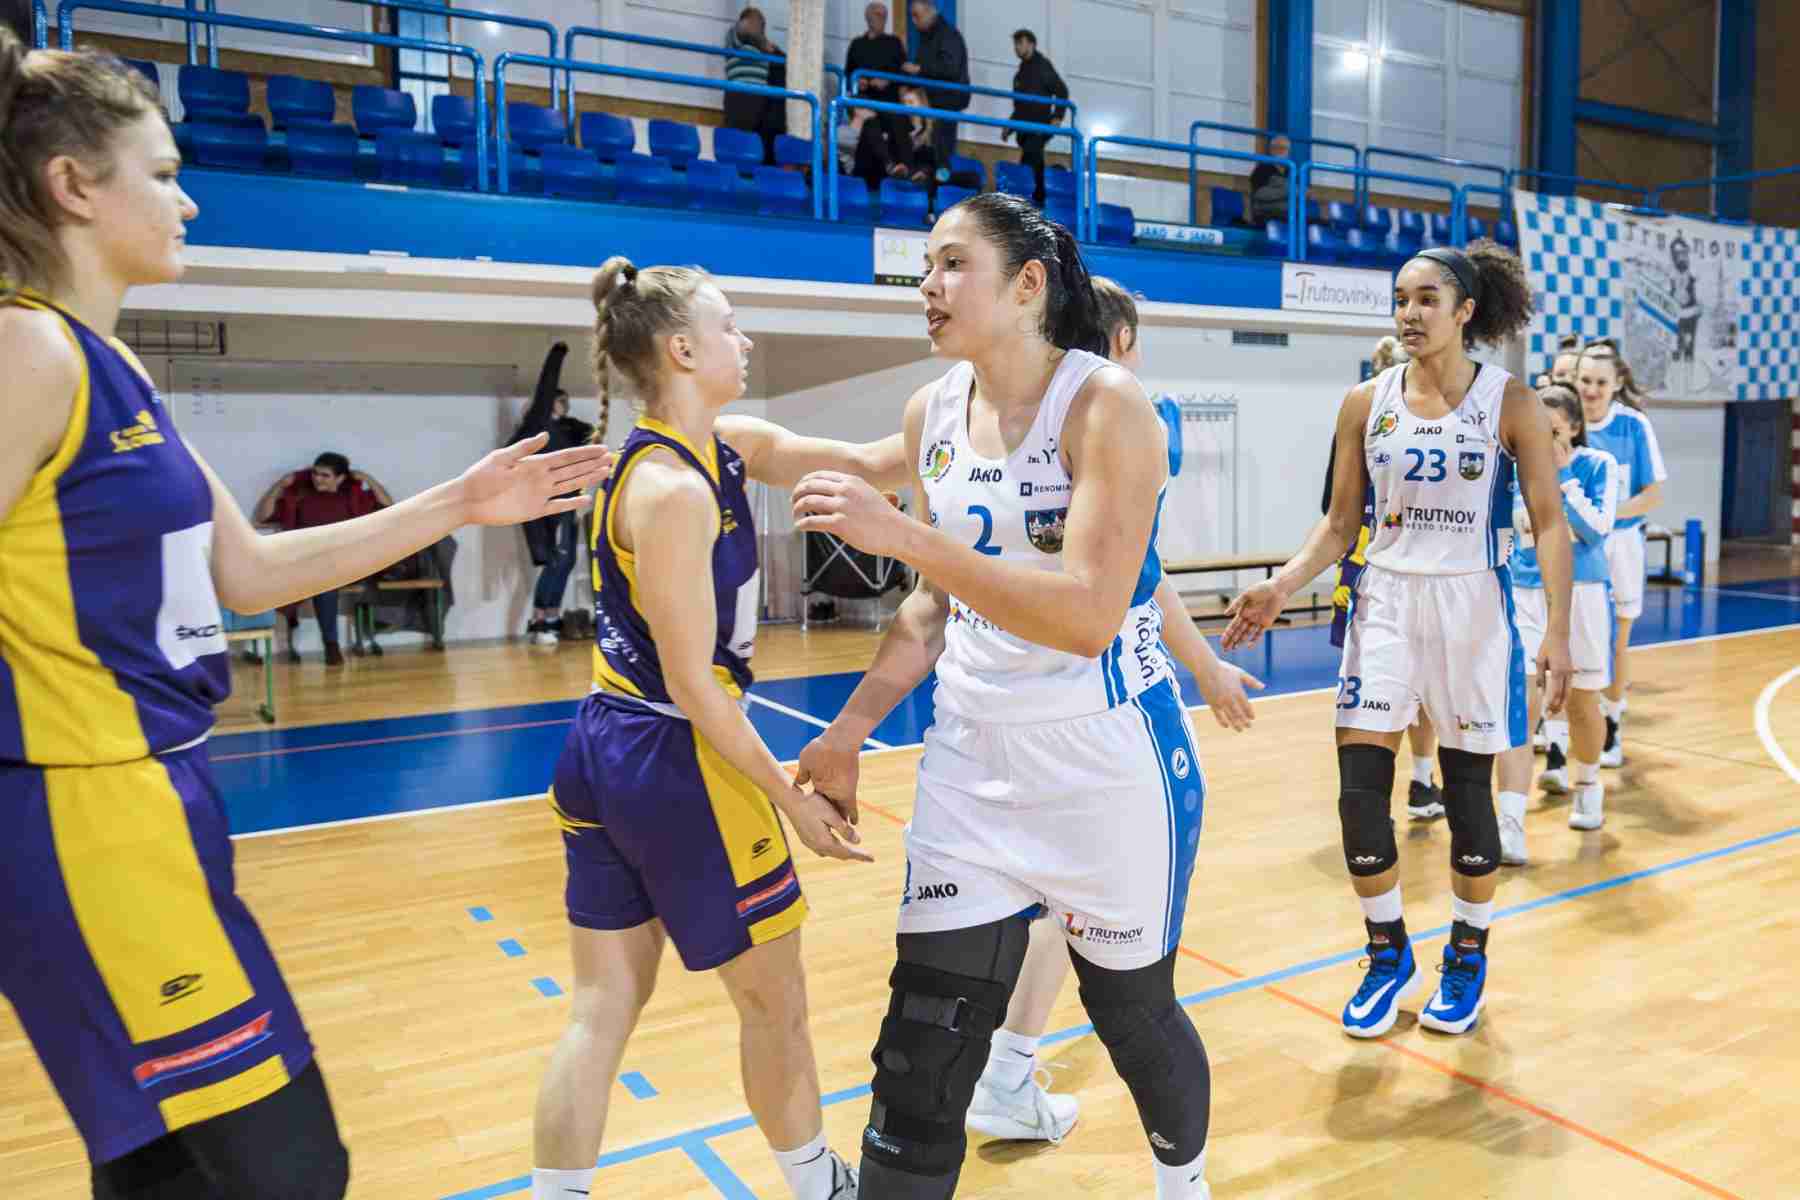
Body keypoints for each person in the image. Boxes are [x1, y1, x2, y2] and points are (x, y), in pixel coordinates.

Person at [0, 34, 612, 1198]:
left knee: (170, 1170)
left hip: (156, 802)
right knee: (283, 1168)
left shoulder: (111, 366)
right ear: (73, 185)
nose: (188, 200)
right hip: (81, 816)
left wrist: (460, 502)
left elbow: (250, 573)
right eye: (163, 172)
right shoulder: (24, 349)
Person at [791, 193, 1218, 1199]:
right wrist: (848, 731)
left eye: (952, 264)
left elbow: (1088, 616)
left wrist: (904, 535)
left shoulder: (1109, 405)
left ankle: (1184, 1185)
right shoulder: (931, 410)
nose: (928, 286)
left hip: (1106, 761)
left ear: (1027, 285)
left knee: (1133, 1017)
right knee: (921, 1050)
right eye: (924, 268)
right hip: (971, 757)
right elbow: (932, 605)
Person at [529, 258, 874, 1200]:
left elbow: (870, 463)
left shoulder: (708, 451)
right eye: (730, 326)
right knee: (776, 1004)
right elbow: (693, 686)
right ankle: (820, 1186)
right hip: (678, 754)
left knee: (600, 1007)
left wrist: (970, 411)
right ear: (682, 349)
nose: (745, 340)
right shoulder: (674, 492)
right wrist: (791, 803)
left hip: (602, 740)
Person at [1223, 241, 1575, 1040]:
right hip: (1384, 600)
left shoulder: (1511, 403)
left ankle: (1466, 954)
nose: (1410, 314)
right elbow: (1340, 522)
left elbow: (1550, 523)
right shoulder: (1365, 401)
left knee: (1468, 794)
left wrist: (1556, 631)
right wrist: (1282, 584)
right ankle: (1388, 953)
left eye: (1427, 300)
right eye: (1401, 300)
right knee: (1358, 793)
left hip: (1473, 606)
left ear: (1466, 311)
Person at [959, 273, 1263, 1150]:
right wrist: (1199, 669)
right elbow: (1131, 583)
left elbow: (1142, 572)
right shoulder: (1128, 418)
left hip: (1005, 705)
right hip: (1103, 711)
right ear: (1119, 343)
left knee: (1056, 907)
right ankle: (1164, 1156)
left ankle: (1004, 1072)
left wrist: (1206, 666)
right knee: (1118, 950)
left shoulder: (1005, 418)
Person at [1320, 334, 1445, 822]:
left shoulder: (1378, 413)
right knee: (1399, 684)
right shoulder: (1365, 413)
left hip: (1375, 561)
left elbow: (1330, 505)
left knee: (1379, 684)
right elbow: (1335, 509)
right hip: (1381, 561)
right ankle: (1414, 783)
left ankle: (1394, 792)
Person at [1496, 384, 1619, 862]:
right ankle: (1510, 821)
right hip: (1524, 596)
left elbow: (1597, 530)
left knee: (1583, 703)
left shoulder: (1597, 466)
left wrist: (1563, 478)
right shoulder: (1510, 471)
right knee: (1521, 704)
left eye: (1552, 430)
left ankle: (1587, 786)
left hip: (1582, 595)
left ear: (1573, 429)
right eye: (1533, 429)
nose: (1541, 439)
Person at [1573, 338, 1664, 769]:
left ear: (1616, 384)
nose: (1591, 390)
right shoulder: (1563, 422)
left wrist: (1604, 517)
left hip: (1620, 545)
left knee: (1615, 643)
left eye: (1600, 382)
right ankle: (1556, 735)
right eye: (1585, 380)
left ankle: (1611, 724)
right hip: (1571, 547)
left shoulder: (1633, 426)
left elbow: (1652, 495)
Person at [253, 451, 392, 665]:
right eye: (315, 474)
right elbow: (262, 516)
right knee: (321, 580)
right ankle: (328, 645)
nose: (318, 479)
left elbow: (388, 507)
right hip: (307, 561)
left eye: (325, 475)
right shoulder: (301, 497)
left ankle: (330, 644)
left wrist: (368, 479)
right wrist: (280, 485)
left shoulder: (351, 498)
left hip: (345, 562)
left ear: (340, 478)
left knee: (325, 579)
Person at [510, 343, 596, 645]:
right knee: (554, 561)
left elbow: (590, 433)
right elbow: (546, 387)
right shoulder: (537, 426)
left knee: (566, 561)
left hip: (567, 503)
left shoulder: (566, 430)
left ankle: (552, 618)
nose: (564, 405)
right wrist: (557, 355)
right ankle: (539, 622)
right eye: (559, 401)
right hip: (546, 505)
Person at [845, 3, 913, 181]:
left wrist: (887, 80)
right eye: (877, 14)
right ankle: (890, 165)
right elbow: (848, 74)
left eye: (884, 15)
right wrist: (858, 82)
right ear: (868, 17)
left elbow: (904, 73)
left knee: (899, 119)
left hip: (889, 101)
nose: (882, 18)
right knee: (869, 119)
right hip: (865, 99)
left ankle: (908, 169)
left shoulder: (894, 43)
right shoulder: (857, 44)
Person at [1003, 30, 1068, 206]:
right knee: (1032, 161)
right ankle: (1035, 201)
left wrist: (1057, 116)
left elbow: (1062, 91)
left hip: (1039, 125)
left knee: (1030, 161)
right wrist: (1010, 126)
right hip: (1026, 128)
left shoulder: (1042, 66)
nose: (1016, 48)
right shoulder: (1022, 71)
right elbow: (1021, 106)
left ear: (1031, 44)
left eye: (1020, 43)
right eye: (1015, 44)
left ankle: (1033, 201)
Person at [903, 1, 968, 176]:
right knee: (929, 148)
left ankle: (941, 184)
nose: (913, 21)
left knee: (941, 152)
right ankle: (928, 181)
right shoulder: (927, 36)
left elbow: (951, 68)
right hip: (932, 99)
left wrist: (920, 69)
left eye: (916, 16)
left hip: (946, 99)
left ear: (929, 12)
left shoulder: (948, 35)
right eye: (912, 16)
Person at [725, 7, 786, 165]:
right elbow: (746, 31)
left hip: (759, 99)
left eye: (763, 24)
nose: (761, 27)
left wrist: (768, 47)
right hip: (739, 96)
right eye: (758, 22)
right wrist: (763, 43)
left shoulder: (763, 48)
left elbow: (782, 59)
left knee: (758, 144)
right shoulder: (734, 38)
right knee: (738, 144)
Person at [1248, 134, 1291, 226]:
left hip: (1289, 215)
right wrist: (1289, 191)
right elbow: (1259, 194)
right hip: (1267, 214)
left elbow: (1302, 192)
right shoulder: (1262, 169)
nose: (1281, 151)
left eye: (1284, 148)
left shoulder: (1292, 171)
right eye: (1277, 148)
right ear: (1271, 150)